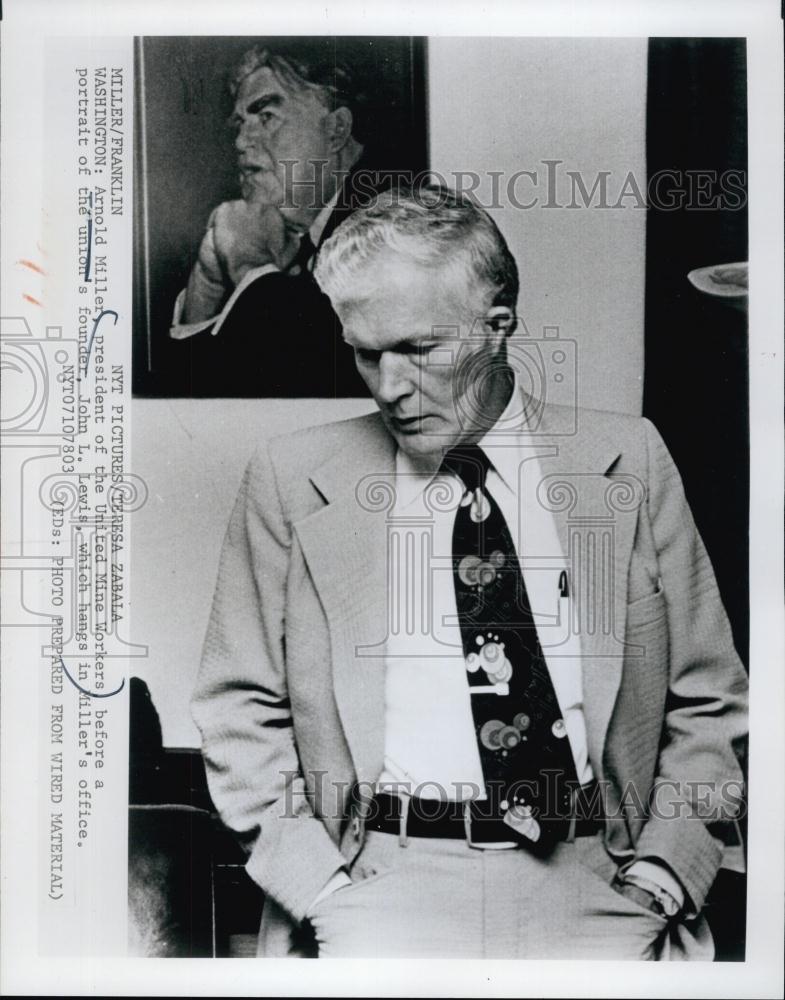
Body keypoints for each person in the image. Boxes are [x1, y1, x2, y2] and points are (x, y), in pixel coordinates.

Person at [191, 187, 748, 959]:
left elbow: (708, 697)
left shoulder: (629, 461)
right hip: (376, 893)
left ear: (498, 326)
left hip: (599, 888)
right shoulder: (291, 479)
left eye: (418, 349)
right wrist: (323, 891)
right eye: (363, 352)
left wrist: (660, 874)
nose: (388, 387)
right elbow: (236, 706)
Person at [170, 44, 374, 396]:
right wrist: (207, 286)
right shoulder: (295, 230)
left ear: (337, 130)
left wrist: (250, 267)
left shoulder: (393, 217)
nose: (240, 141)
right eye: (239, 124)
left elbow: (327, 378)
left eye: (266, 117)